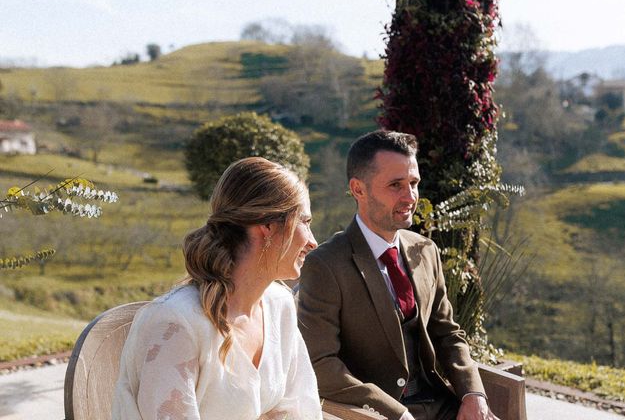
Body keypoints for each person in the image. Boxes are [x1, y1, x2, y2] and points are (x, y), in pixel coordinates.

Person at [297, 130, 499, 420]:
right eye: (395, 185)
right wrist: (394, 413)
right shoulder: (326, 264)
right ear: (358, 189)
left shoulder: (424, 250)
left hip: (441, 404)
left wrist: (473, 393)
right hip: (375, 415)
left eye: (413, 183)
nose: (410, 197)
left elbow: (448, 333)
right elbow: (321, 364)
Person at [112, 157, 322, 420]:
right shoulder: (176, 322)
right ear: (267, 225)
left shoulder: (279, 305)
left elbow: (299, 409)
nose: (313, 241)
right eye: (305, 222)